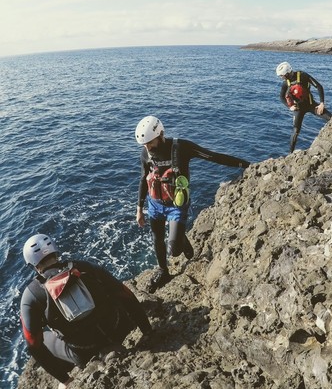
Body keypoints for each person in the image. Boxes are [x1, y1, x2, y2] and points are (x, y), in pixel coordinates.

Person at [135, 115, 250, 293]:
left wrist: (245, 165)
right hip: (154, 204)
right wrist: (139, 209)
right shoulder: (145, 153)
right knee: (156, 238)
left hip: (176, 205)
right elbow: (143, 178)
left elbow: (213, 156)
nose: (147, 148)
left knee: (175, 251)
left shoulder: (181, 148)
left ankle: (180, 238)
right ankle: (163, 270)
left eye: (150, 142)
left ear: (161, 134)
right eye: (144, 144)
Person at [20, 233, 152, 388]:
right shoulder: (84, 267)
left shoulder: (31, 296)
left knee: (46, 338)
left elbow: (33, 345)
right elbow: (126, 295)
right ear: (55, 251)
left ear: (33, 265)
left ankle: (66, 379)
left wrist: (65, 380)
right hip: (119, 329)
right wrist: (147, 331)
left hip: (85, 352)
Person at [276, 61, 332, 153]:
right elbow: (281, 97)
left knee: (331, 118)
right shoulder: (286, 83)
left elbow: (319, 86)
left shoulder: (303, 76)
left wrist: (321, 103)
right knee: (295, 131)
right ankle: (291, 154)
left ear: (286, 74)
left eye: (282, 76)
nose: (281, 78)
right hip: (298, 109)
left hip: (311, 105)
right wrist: (289, 107)